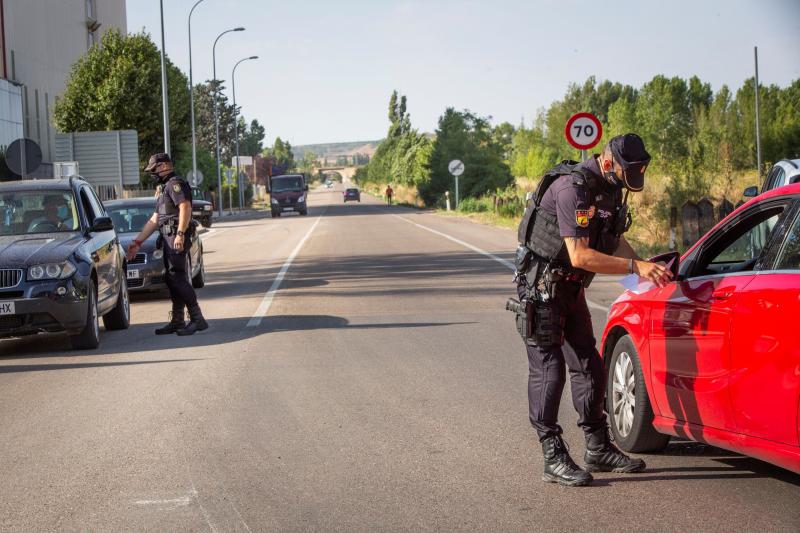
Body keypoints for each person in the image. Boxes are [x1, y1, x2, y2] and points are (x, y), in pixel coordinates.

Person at [513, 133, 672, 487]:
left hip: (570, 288)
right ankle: (552, 455)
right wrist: (635, 269)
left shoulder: (611, 188)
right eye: (626, 171)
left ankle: (597, 447)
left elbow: (614, 240)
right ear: (608, 160)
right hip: (541, 288)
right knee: (549, 370)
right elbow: (580, 255)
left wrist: (647, 273)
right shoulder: (573, 188)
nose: (628, 181)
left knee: (590, 364)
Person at [126, 153, 208, 336]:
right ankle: (178, 320)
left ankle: (197, 318)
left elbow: (185, 207)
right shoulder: (164, 188)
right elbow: (155, 219)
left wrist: (179, 234)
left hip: (175, 237)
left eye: (153, 169)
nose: (152, 173)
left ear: (163, 166)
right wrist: (138, 242)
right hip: (167, 237)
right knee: (172, 279)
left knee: (178, 277)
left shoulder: (175, 184)